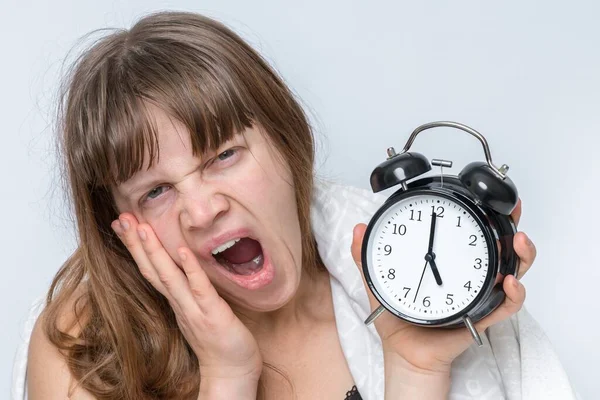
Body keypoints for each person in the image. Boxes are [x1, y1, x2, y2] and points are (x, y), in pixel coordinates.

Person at [22, 10, 575, 400]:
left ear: (287, 145)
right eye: (156, 191)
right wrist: (228, 377)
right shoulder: (85, 350)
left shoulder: (401, 281)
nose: (201, 211)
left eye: (223, 155)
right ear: (121, 226)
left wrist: (413, 368)